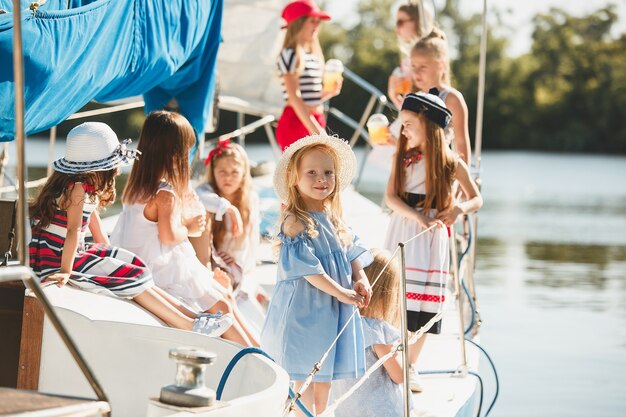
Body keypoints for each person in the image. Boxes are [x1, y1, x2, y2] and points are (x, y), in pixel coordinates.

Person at [28, 122, 227, 335]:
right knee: (134, 277)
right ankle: (187, 324)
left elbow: (98, 233)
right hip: (61, 258)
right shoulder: (78, 190)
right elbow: (74, 231)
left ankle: (193, 316)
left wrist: (111, 257)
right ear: (101, 167)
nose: (117, 170)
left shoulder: (79, 188)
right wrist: (65, 272)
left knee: (133, 265)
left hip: (66, 252)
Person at [111, 111, 258, 347]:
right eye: (185, 151)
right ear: (173, 155)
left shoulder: (136, 188)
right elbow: (169, 236)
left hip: (146, 262)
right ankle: (256, 356)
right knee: (222, 305)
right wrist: (188, 226)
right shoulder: (164, 193)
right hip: (160, 271)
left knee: (225, 297)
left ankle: (260, 351)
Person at [261, 134, 374, 416]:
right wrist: (342, 292)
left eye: (328, 172)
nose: (321, 178)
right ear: (294, 178)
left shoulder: (333, 217)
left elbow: (351, 252)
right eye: (311, 172)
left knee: (325, 377)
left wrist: (360, 277)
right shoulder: (295, 221)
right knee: (305, 379)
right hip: (306, 313)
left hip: (332, 310)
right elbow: (309, 271)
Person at [383, 92, 482, 391]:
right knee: (397, 297)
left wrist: (458, 208)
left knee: (423, 303)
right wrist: (417, 217)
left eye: (409, 123)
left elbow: (476, 197)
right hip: (404, 231)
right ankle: (392, 358)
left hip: (432, 238)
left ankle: (411, 364)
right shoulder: (402, 158)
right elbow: (390, 198)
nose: (404, 130)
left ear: (428, 124)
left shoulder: (452, 164)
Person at [191, 139, 267, 336]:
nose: (228, 178)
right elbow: (198, 196)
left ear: (243, 174)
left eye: (235, 172)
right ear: (213, 172)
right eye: (222, 172)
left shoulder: (251, 199)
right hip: (212, 265)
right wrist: (227, 209)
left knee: (255, 320)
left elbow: (251, 250)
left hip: (236, 271)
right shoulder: (208, 193)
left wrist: (249, 284)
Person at [330, 248, 416, 417]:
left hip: (347, 411)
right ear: (387, 296)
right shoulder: (377, 331)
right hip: (381, 411)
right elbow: (399, 376)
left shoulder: (340, 323)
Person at [275, 0, 340, 151]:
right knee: (300, 173)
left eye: (318, 22)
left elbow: (308, 97)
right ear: (299, 23)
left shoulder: (312, 55)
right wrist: (316, 130)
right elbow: (294, 96)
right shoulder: (290, 54)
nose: (317, 25)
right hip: (297, 121)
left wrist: (326, 94)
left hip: (312, 119)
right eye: (312, 21)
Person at [411, 28, 471, 165]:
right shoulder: (414, 97)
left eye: (423, 67)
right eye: (413, 66)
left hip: (439, 170)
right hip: (415, 169)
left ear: (441, 65)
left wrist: (462, 181)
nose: (416, 72)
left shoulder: (452, 98)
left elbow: (461, 142)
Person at [388, 1, 434, 110]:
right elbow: (408, 112)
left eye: (400, 22)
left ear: (417, 21)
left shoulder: (429, 57)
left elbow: (426, 110)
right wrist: (393, 96)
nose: (397, 28)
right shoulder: (406, 60)